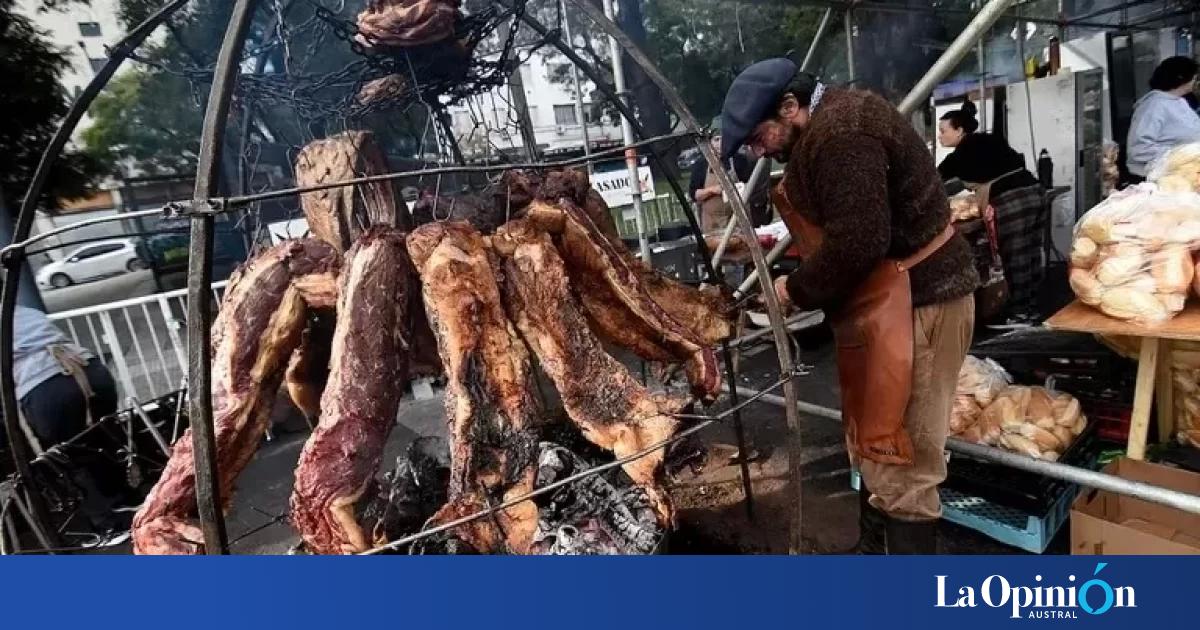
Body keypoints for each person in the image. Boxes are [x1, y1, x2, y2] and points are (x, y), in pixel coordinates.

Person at [719, 58, 979, 554]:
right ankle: (870, 556)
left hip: (919, 301)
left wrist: (795, 290)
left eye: (759, 137)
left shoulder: (843, 133)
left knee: (904, 459)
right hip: (887, 305)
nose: (758, 151)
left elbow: (860, 240)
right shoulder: (830, 125)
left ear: (791, 107)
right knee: (874, 441)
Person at [11, 302, 123, 531]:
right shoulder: (25, 311)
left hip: (45, 387)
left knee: (65, 457)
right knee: (104, 438)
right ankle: (131, 499)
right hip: (90, 370)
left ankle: (107, 524)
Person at [948, 133, 1046, 322]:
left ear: (959, 129)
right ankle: (1031, 308)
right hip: (1032, 189)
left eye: (943, 130)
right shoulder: (986, 141)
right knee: (1030, 253)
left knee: (1015, 257)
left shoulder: (966, 150)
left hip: (1011, 198)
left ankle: (1019, 314)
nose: (940, 135)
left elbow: (945, 178)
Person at [688, 121, 771, 232]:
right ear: (710, 142)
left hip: (738, 222)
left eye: (723, 139)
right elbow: (694, 195)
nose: (720, 143)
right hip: (712, 225)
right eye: (716, 139)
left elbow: (750, 186)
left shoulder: (738, 160)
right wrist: (712, 190)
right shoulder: (701, 165)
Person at [1126, 56, 1200, 180]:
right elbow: (1139, 149)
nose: (1195, 81)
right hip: (1160, 177)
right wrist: (1183, 153)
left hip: (1185, 171)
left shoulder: (1179, 100)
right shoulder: (1153, 106)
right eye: (1194, 77)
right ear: (1181, 78)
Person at [934, 101, 981, 182]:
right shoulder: (984, 143)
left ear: (959, 131)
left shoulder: (957, 158)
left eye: (943, 131)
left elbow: (933, 182)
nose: (939, 136)